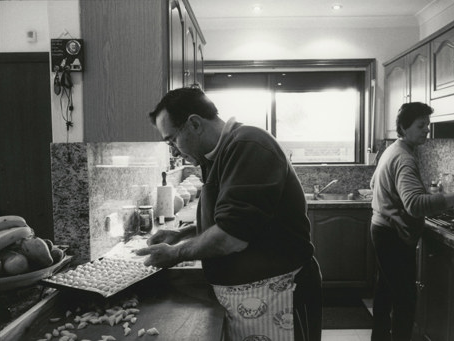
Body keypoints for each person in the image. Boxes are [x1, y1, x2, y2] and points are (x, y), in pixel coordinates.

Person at [136, 87, 322, 341]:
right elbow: (228, 219)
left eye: (172, 140)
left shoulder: (248, 145)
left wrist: (175, 254)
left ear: (194, 124)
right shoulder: (215, 156)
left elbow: (231, 235)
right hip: (250, 293)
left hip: (277, 291)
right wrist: (179, 234)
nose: (174, 150)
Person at [369, 102, 454, 341]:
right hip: (393, 236)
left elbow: (375, 184)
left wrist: (391, 207)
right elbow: (414, 204)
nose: (427, 130)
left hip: (382, 230)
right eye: (421, 125)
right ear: (404, 128)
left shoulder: (393, 150)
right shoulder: (405, 158)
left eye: (428, 124)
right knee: (405, 299)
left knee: (385, 292)